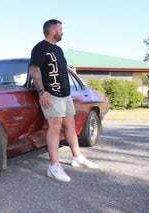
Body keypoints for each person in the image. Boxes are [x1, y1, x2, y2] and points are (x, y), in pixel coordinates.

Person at [29, 19, 98, 183]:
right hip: (51, 94)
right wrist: (41, 92)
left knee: (70, 125)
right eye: (60, 28)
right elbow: (34, 68)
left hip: (66, 95)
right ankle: (53, 167)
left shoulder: (58, 50)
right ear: (52, 30)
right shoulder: (40, 48)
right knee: (55, 127)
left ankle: (77, 157)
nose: (63, 32)